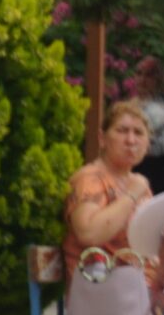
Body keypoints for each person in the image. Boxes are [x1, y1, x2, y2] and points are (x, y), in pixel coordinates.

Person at [66, 103, 156, 275]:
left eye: (138, 133)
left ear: (148, 144)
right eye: (122, 131)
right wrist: (131, 195)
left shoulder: (140, 185)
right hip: (102, 287)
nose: (131, 140)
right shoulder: (91, 178)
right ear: (102, 138)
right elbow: (89, 233)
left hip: (142, 287)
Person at [131, 56, 164, 192]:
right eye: (139, 73)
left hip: (159, 178)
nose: (142, 79)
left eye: (149, 75)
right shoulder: (126, 107)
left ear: (160, 80)